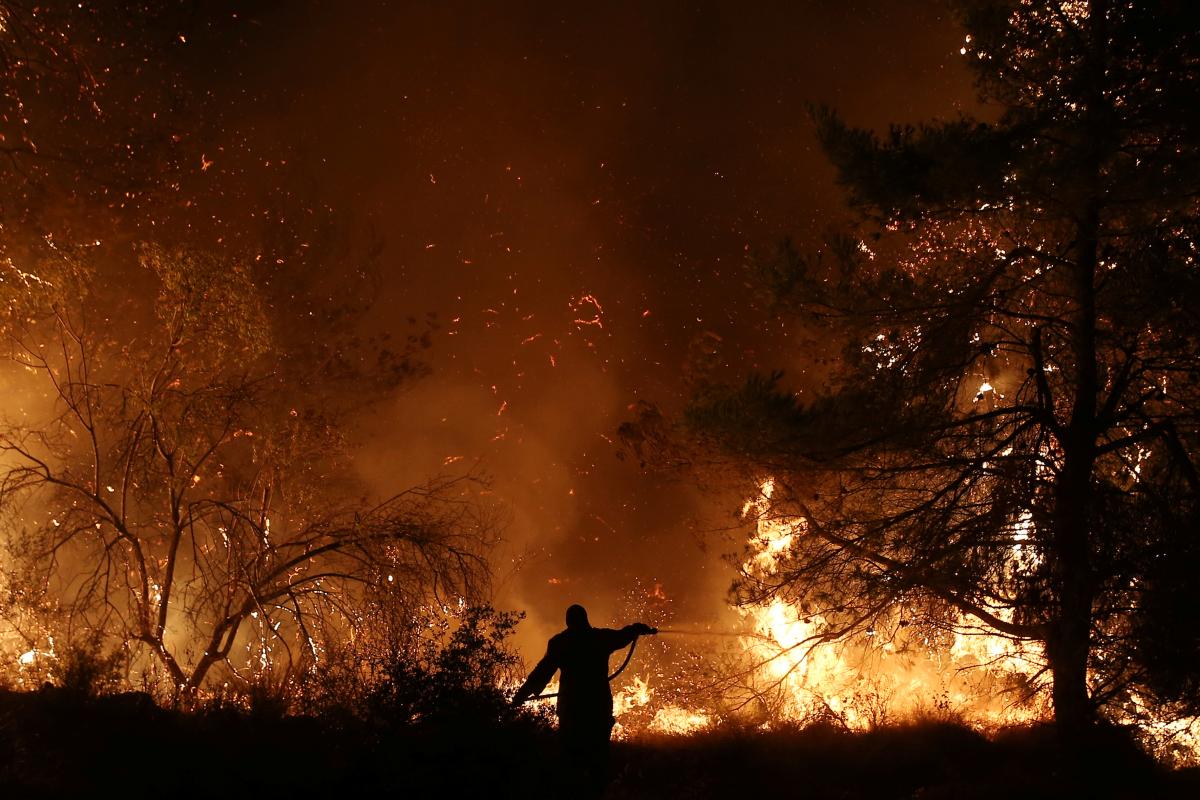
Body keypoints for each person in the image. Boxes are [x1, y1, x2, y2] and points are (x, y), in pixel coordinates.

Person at [511, 604, 656, 792]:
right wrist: (637, 628)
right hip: (598, 706)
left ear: (568, 622)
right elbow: (622, 635)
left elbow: (543, 671)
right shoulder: (599, 638)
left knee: (571, 760)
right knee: (598, 760)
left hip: (572, 707)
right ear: (586, 619)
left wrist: (521, 695)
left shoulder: (560, 642)